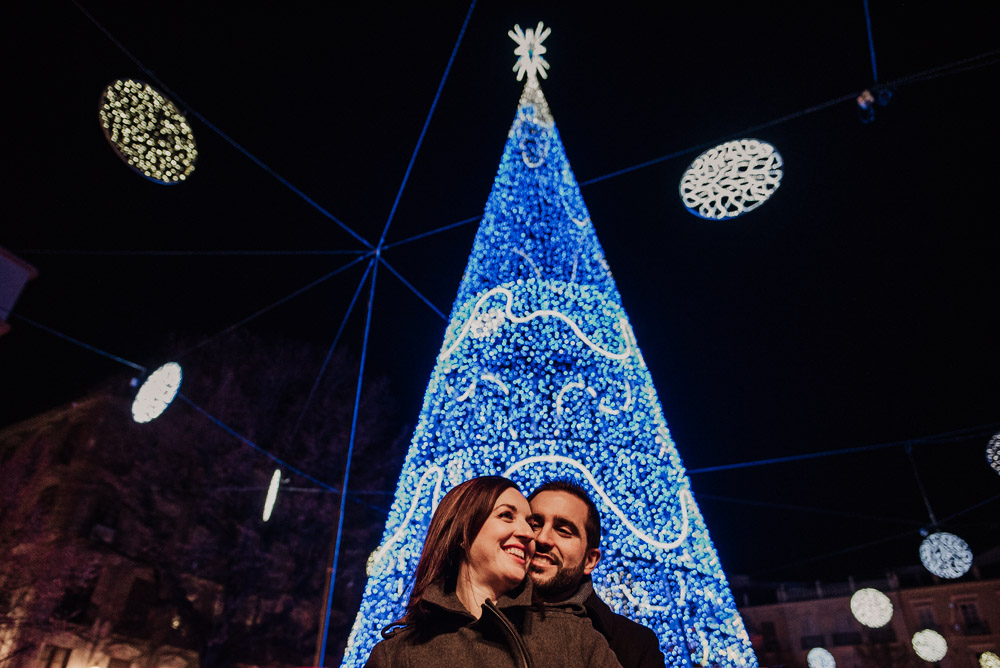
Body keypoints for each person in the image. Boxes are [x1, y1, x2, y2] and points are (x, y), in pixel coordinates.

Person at [365, 476, 622, 667]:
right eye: (507, 516)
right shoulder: (397, 655)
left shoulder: (574, 638)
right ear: (463, 534)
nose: (528, 534)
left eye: (527, 523)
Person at [527, 480, 666, 668]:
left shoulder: (634, 645)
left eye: (563, 531)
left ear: (589, 560)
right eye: (534, 525)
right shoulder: (482, 615)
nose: (542, 538)